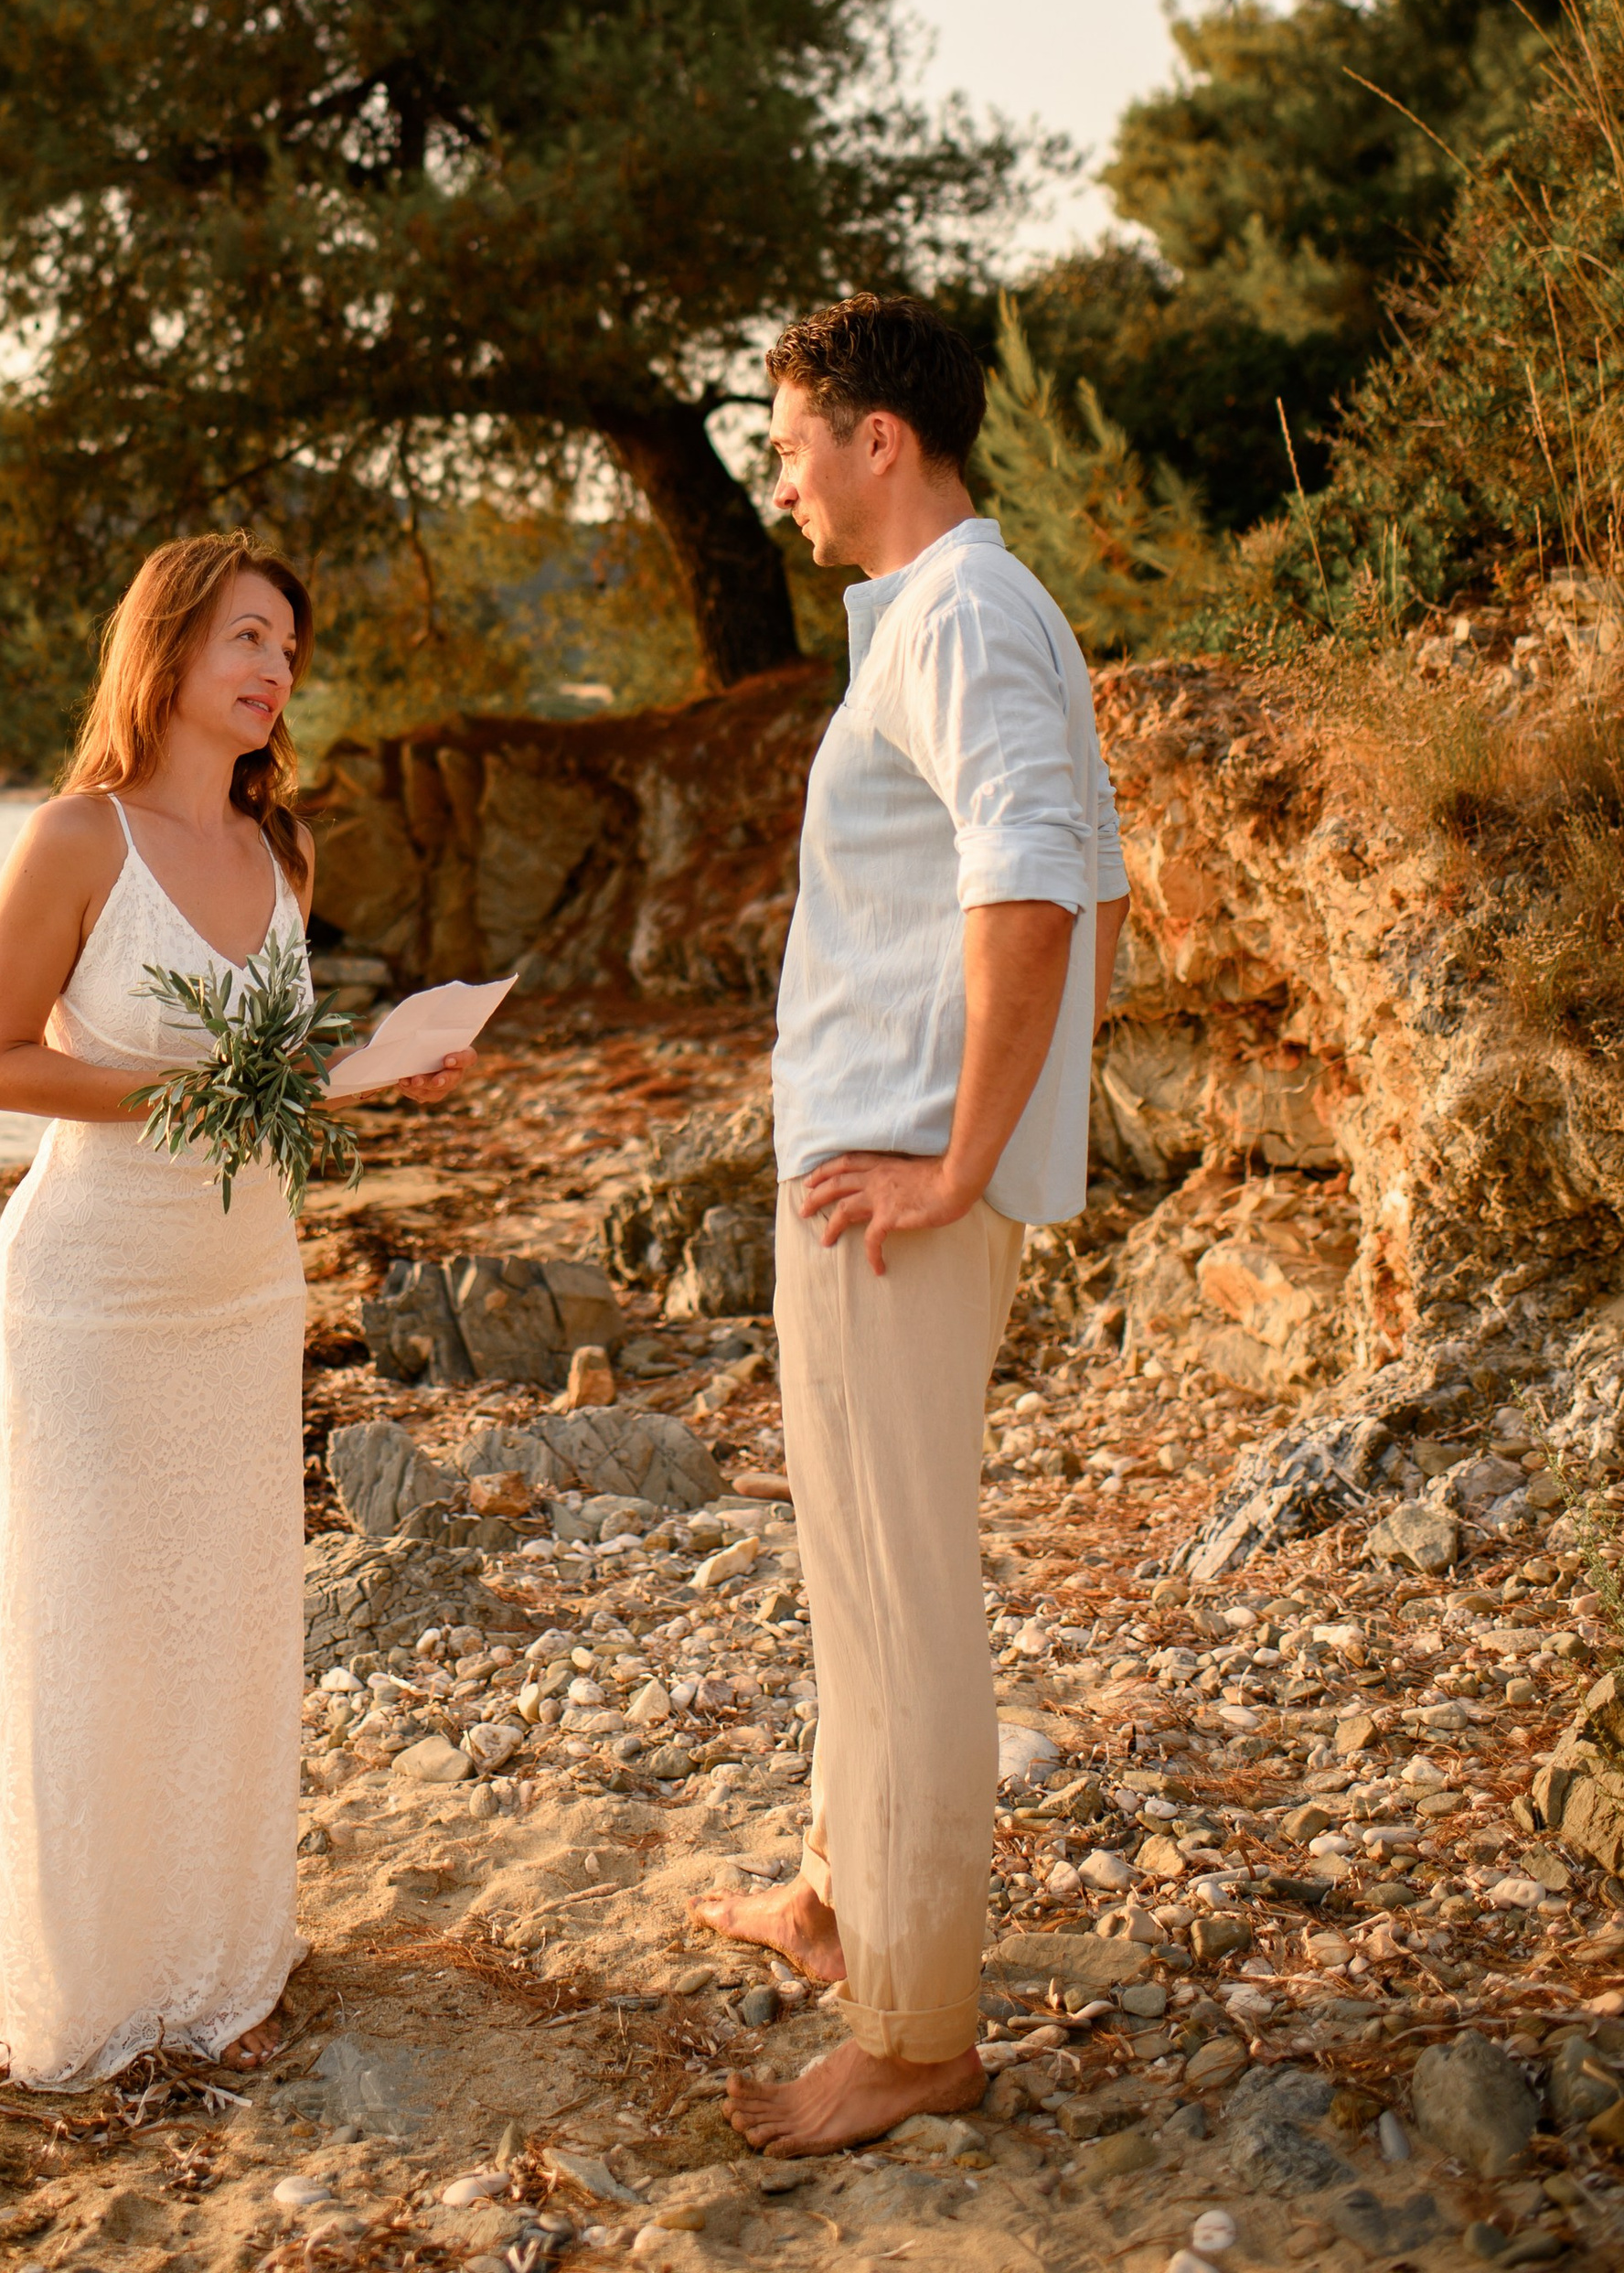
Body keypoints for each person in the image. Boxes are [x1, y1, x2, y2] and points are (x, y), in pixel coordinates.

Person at [692, 296, 1129, 2155]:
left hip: (891, 1184)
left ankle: (917, 2028)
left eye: (792, 441)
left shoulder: (954, 613)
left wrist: (951, 1165)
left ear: (879, 437)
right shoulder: (944, 616)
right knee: (856, 1574)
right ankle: (832, 1893)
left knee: (898, 1595)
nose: (777, 481)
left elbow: (1029, 879)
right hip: (869, 1165)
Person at [0, 531, 461, 2088]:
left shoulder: (283, 853)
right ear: (168, 648)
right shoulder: (76, 840)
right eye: (248, 638)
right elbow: (0, 1066)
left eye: (291, 653)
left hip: (247, 1288)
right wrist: (201, 1083)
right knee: (99, 1627)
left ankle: (223, 1966)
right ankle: (99, 1985)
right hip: (95, 1298)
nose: (272, 672)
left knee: (231, 1623)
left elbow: (277, 1086)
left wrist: (375, 1073)